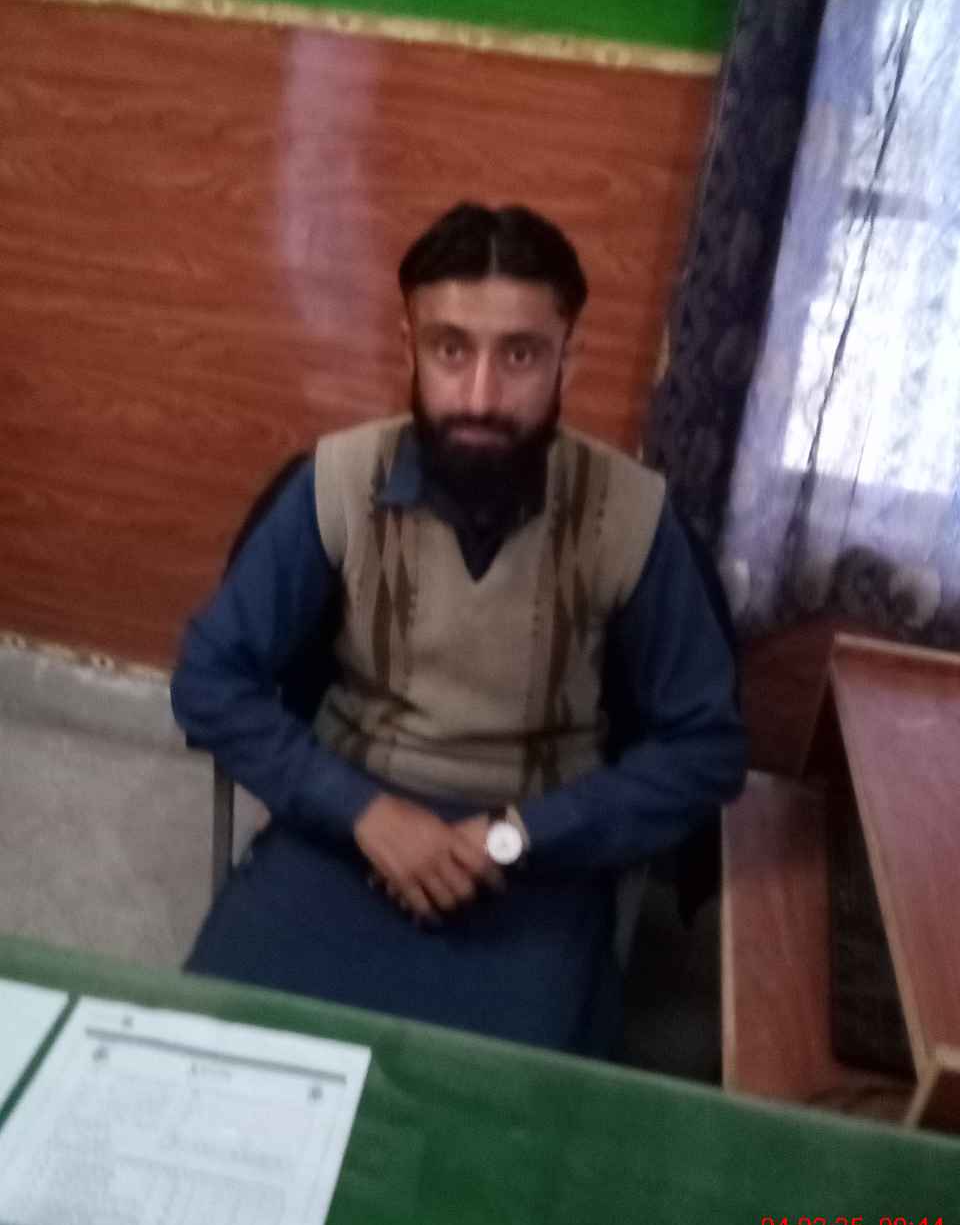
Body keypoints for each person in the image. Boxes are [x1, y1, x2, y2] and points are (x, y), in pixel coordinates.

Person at [170, 202, 746, 1056]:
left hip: (541, 854)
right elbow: (210, 678)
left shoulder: (631, 517)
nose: (480, 397)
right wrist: (364, 812)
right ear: (409, 349)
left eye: (519, 355)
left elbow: (707, 747)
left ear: (568, 357)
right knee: (215, 1069)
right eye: (450, 350)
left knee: (506, 1113)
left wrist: (515, 838)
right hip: (344, 827)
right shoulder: (338, 483)